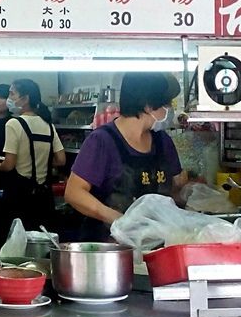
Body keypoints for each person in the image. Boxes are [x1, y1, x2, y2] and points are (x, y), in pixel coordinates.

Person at [64, 72, 187, 242]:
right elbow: (74, 193)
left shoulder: (163, 141)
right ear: (148, 106)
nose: (170, 111)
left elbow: (175, 186)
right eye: (167, 104)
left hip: (155, 243)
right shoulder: (102, 141)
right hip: (109, 246)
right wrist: (121, 221)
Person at [0, 79, 65, 248]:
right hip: (43, 197)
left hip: (19, 196)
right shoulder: (48, 125)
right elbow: (61, 160)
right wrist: (42, 160)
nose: (8, 98)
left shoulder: (14, 123)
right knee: (41, 244)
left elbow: (9, 164)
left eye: (12, 94)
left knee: (16, 245)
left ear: (25, 99)